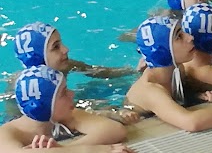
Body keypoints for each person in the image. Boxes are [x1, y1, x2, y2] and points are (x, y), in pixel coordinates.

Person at [9, 22, 138, 125]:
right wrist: (109, 112)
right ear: (38, 57)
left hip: (65, 101)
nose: (65, 49)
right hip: (47, 121)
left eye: (61, 43)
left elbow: (100, 72)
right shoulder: (26, 87)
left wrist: (134, 71)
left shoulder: (66, 64)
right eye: (56, 47)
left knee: (112, 84)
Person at [0, 65, 134, 152]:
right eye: (64, 92)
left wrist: (63, 148)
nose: (72, 94)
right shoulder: (5, 134)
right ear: (45, 105)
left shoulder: (67, 115)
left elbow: (115, 130)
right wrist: (101, 150)